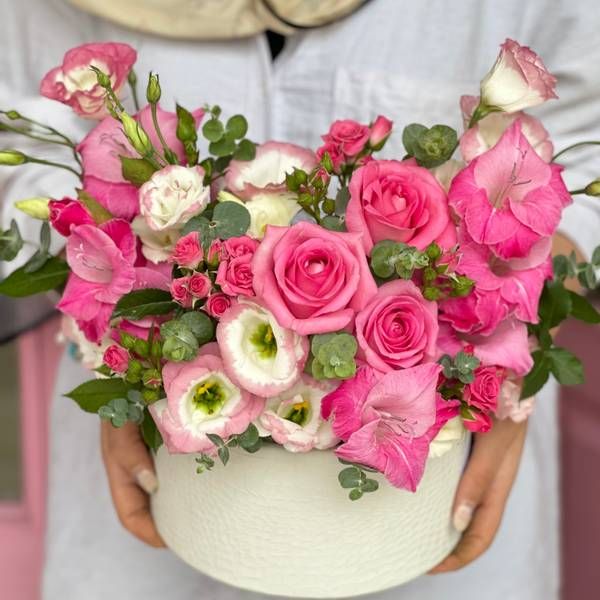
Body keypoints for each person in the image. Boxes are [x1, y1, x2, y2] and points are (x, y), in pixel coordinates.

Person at [1, 0, 599, 598]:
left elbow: (587, 160)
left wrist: (502, 367)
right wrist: (122, 343)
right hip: (154, 507)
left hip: (434, 505)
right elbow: (16, 135)